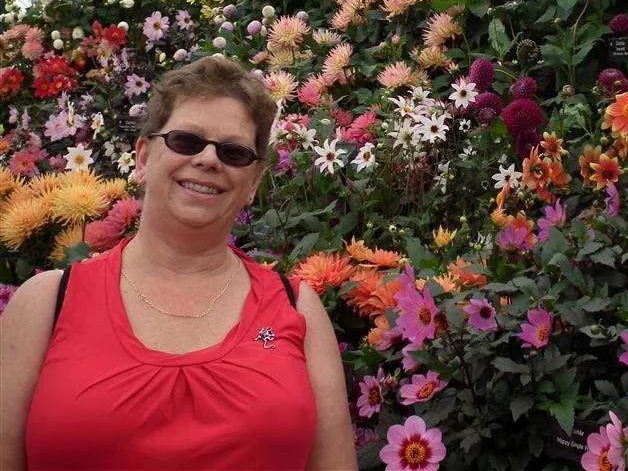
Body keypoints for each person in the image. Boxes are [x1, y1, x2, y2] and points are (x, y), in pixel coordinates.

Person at [0, 56, 359, 470]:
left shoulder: (295, 308)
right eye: (186, 141)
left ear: (253, 184)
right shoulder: (47, 305)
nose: (208, 159)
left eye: (234, 152)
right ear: (142, 157)